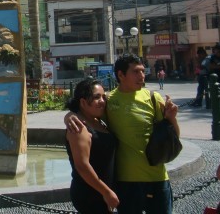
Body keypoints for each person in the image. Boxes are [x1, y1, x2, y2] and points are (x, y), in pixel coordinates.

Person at [67, 54, 179, 214]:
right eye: (136, 71)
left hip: (157, 177)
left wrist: (172, 119)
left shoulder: (153, 98)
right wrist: (70, 115)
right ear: (121, 75)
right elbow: (86, 112)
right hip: (126, 182)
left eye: (143, 71)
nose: (142, 75)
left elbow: (173, 137)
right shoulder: (109, 101)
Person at [65, 78, 118, 213]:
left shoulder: (98, 121)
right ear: (83, 102)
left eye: (103, 97)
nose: (102, 101)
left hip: (101, 190)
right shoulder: (79, 127)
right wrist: (106, 192)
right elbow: (82, 166)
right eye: (96, 97)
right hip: (90, 193)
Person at [193, 42, 220, 107]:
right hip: (213, 78)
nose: (216, 51)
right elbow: (207, 65)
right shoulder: (211, 57)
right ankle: (211, 104)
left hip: (219, 77)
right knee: (214, 91)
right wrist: (218, 66)